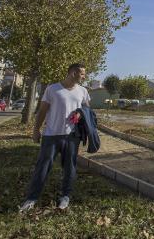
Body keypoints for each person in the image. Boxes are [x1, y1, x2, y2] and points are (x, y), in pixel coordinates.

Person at [19, 63, 90, 212]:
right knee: (42, 167)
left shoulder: (83, 91)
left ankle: (65, 196)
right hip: (51, 135)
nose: (84, 76)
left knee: (69, 167)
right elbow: (42, 111)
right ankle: (31, 198)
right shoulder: (52, 89)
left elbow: (87, 109)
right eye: (82, 74)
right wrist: (36, 130)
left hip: (72, 136)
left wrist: (79, 112)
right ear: (73, 73)